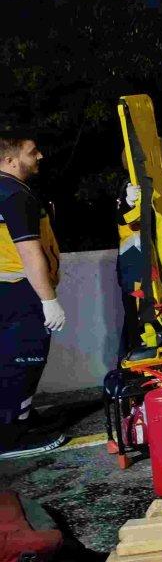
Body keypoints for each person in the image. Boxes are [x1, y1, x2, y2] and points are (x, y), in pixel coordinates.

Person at [0, 131, 67, 459]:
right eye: (32, 152)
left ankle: (18, 418)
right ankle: (9, 436)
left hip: (5, 289)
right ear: (11, 161)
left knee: (9, 359)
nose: (39, 156)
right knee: (24, 357)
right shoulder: (14, 194)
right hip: (17, 290)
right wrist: (48, 300)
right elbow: (29, 252)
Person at [116, 140, 162, 359]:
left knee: (156, 311)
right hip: (135, 263)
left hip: (152, 262)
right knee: (140, 317)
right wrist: (127, 201)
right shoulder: (132, 184)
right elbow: (123, 216)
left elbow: (155, 221)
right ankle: (133, 365)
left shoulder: (156, 187)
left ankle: (153, 358)